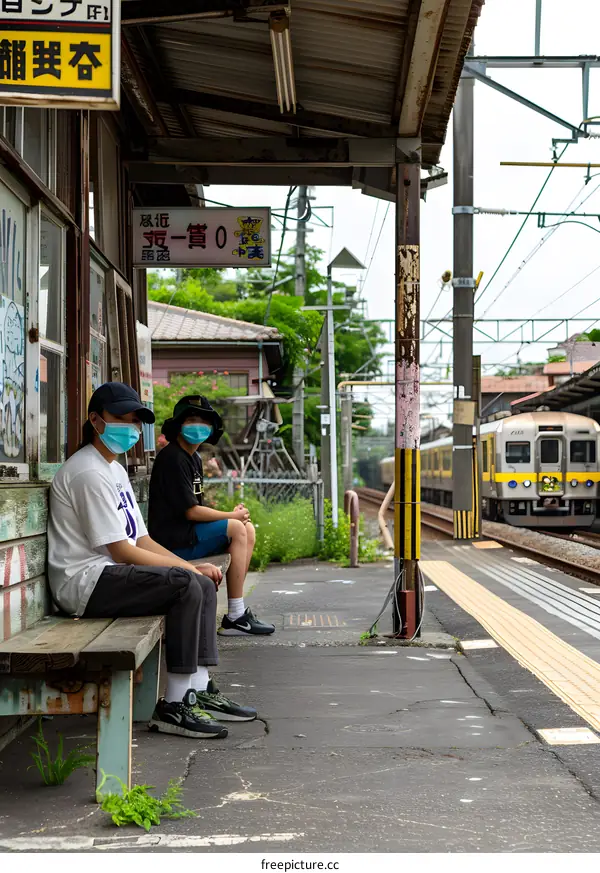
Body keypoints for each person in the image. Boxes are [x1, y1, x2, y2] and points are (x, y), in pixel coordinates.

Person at [47, 381, 257, 739]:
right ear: (95, 421)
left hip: (110, 575)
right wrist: (187, 568)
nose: (129, 428)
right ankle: (174, 705)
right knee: (186, 584)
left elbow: (141, 538)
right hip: (85, 584)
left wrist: (193, 568)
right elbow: (122, 551)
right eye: (121, 419)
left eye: (134, 421)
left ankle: (200, 688)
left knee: (200, 581)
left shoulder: (113, 469)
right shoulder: (87, 472)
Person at [148, 395, 275, 636]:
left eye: (204, 421)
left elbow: (196, 508)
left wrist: (232, 516)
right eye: (191, 419)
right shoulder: (173, 458)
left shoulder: (193, 458)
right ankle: (236, 616)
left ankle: (237, 612)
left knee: (247, 529)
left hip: (187, 535)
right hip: (171, 544)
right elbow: (191, 511)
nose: (198, 425)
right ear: (178, 425)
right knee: (238, 528)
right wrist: (231, 516)